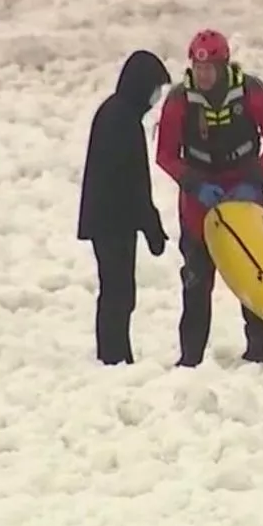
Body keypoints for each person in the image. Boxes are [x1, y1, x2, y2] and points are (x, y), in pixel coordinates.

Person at [154, 28, 263, 367]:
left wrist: (259, 175)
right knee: (196, 283)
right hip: (199, 205)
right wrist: (192, 182)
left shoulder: (250, 92)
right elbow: (165, 154)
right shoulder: (179, 100)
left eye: (208, 69)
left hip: (244, 197)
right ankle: (190, 358)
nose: (202, 74)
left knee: (254, 275)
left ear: (223, 66)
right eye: (197, 68)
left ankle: (258, 351)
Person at [77, 50, 172, 365]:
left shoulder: (115, 113)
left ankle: (114, 353)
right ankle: (114, 357)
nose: (156, 98)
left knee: (115, 291)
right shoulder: (122, 122)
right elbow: (134, 183)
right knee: (119, 293)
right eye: (155, 89)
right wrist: (152, 227)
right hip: (113, 224)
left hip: (107, 221)